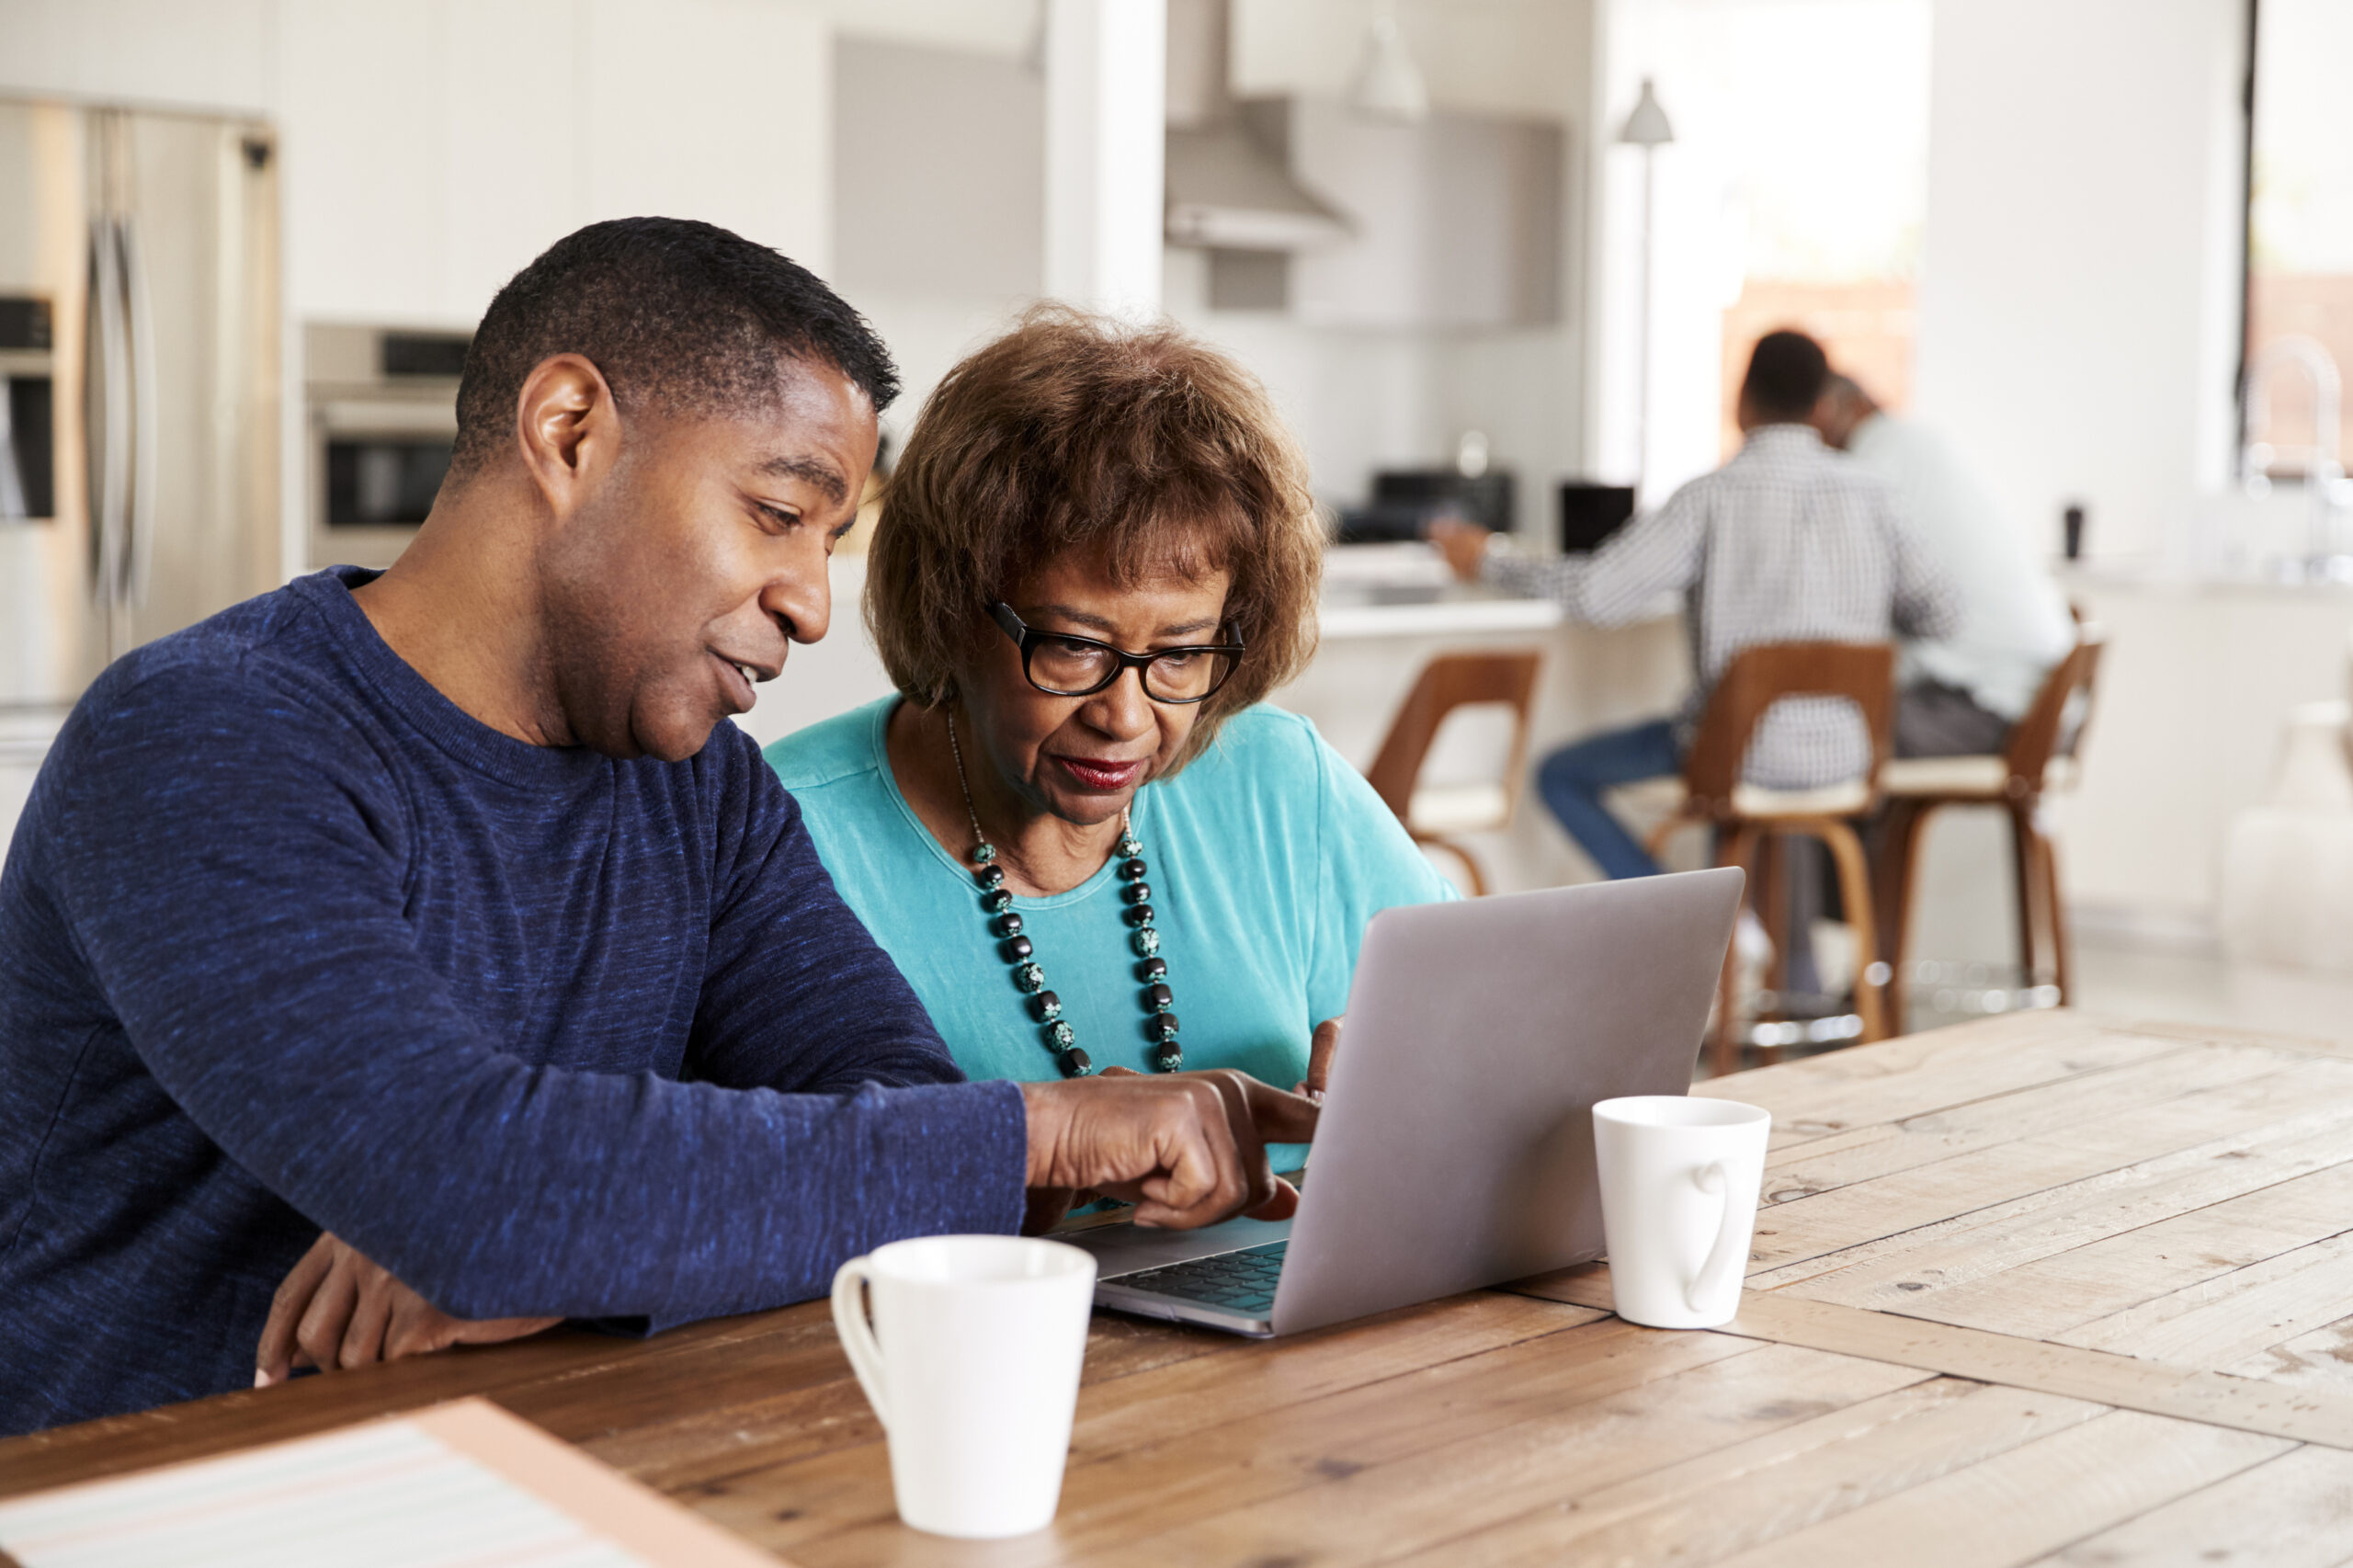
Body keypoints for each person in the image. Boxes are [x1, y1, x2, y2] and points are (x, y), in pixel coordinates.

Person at [0, 221, 1313, 1436]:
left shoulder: (702, 791)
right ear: (570, 432)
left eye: (832, 536)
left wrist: (582, 1237)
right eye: (779, 512)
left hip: (527, 1475)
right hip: (145, 1497)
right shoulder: (202, 738)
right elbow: (469, 1180)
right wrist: (1043, 1127)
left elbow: (901, 1116)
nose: (810, 600)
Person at [765, 310, 1454, 1131]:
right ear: (950, 608)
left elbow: (1496, 1023)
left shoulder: (1282, 784)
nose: (1125, 717)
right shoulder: (779, 833)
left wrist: (1431, 1070)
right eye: (1074, 648)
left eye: (1180, 654)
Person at [1432, 330, 1957, 992]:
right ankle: (1799, 996)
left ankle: (1691, 921)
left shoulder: (1712, 496)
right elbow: (1945, 612)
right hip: (1847, 760)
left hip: (1738, 756)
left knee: (1561, 774)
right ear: (1824, 407)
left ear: (1743, 402)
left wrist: (1488, 559)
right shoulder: (1878, 497)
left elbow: (1597, 595)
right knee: (1777, 802)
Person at [1811, 373, 2075, 756]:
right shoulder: (1915, 444)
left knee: (1817, 740)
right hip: (2035, 700)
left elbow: (1845, 592)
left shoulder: (1877, 456)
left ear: (1845, 409)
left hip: (1998, 709)